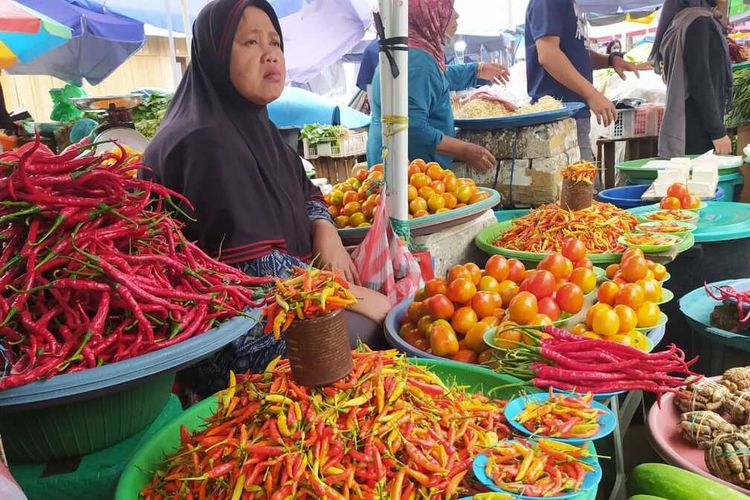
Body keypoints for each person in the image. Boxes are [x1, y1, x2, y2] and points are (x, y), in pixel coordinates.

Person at [144, 0, 391, 399]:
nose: (270, 53)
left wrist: (324, 228)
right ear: (216, 54)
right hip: (225, 333)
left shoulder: (252, 127)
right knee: (371, 331)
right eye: (250, 42)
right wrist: (362, 300)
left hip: (276, 299)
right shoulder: (205, 140)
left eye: (275, 41)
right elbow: (255, 270)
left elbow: (307, 191)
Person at [366, 0, 510, 171]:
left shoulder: (408, 53)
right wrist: (466, 150)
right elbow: (412, 129)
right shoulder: (417, 62)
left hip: (395, 168)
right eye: (447, 9)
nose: (456, 15)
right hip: (409, 178)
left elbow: (437, 78)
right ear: (426, 16)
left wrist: (477, 70)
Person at [525, 0, 639, 160]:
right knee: (580, 182)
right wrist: (592, 94)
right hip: (558, 118)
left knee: (585, 180)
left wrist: (610, 60)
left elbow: (577, 54)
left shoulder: (572, 4)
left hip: (574, 116)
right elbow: (548, 54)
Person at [649, 0, 733, 157]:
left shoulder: (683, 19)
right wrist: (717, 132)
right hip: (698, 126)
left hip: (691, 120)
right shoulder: (698, 22)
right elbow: (700, 80)